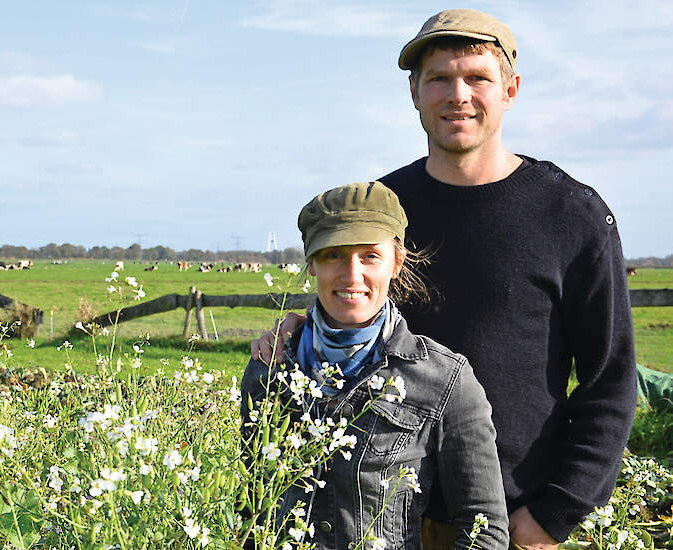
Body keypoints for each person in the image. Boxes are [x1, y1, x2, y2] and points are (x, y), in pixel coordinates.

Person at [251, 9, 638, 550]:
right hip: (379, 520)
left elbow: (611, 381)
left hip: (512, 519)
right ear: (414, 92)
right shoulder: (381, 210)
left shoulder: (571, 214)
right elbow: (351, 309)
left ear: (511, 89)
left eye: (477, 77)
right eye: (439, 79)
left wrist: (554, 514)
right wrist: (296, 334)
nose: (458, 94)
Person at [241, 181, 509, 550]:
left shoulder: (444, 379)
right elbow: (248, 509)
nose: (352, 275)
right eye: (333, 254)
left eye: (369, 256)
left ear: (396, 263)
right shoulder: (269, 368)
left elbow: (486, 530)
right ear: (311, 264)